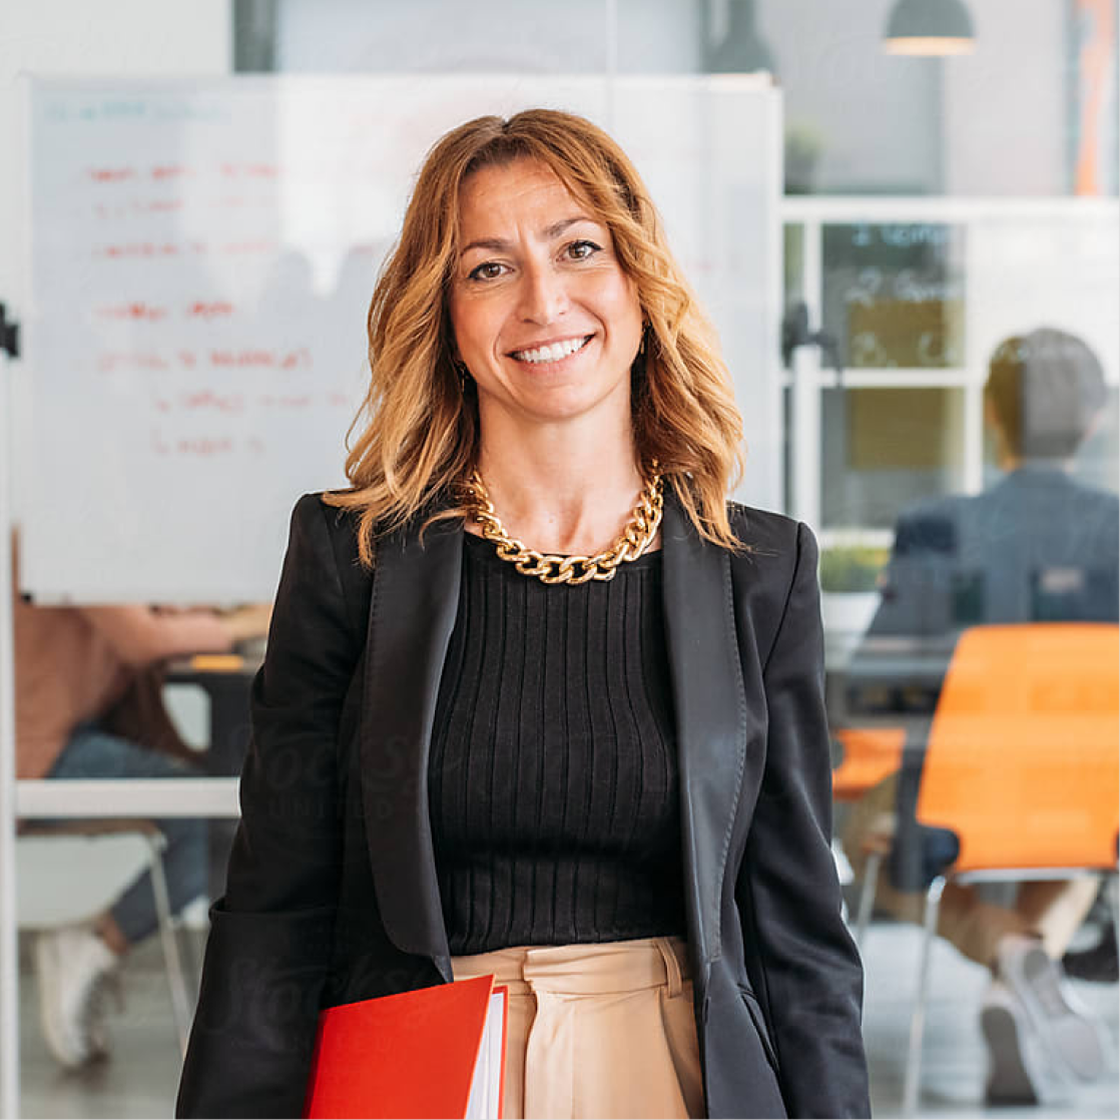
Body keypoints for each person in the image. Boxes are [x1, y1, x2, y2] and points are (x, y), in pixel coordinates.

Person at [176, 108, 870, 1119]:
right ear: (447, 316)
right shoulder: (351, 555)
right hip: (418, 1071)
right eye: (488, 268)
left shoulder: (758, 572)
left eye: (579, 249)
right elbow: (278, 908)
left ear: (637, 283)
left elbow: (799, 926)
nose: (544, 301)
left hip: (672, 1075)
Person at [842, 327, 1117, 1104]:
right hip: (1084, 809)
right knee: (1083, 859)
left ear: (993, 417)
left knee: (863, 839)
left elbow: (872, 690)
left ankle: (1006, 950)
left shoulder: (940, 529)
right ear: (1091, 423)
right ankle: (1021, 971)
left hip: (949, 808)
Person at [13, 540, 269, 1069]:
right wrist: (255, 620)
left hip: (60, 737)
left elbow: (152, 616)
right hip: (32, 752)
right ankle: (94, 944)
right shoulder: (62, 538)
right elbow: (143, 639)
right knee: (206, 818)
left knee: (226, 810)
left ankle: (96, 946)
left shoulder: (86, 535)